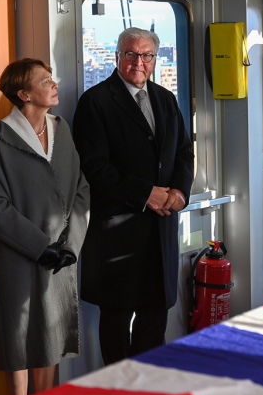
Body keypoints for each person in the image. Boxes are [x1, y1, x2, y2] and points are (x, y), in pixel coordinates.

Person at [73, 27, 194, 366]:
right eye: (131, 54)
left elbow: (184, 153)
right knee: (116, 319)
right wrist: (147, 195)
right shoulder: (95, 102)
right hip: (118, 231)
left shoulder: (166, 100)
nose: (138, 62)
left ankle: (149, 388)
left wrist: (180, 194)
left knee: (155, 317)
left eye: (147, 55)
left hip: (161, 228)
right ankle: (117, 391)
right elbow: (94, 167)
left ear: (155, 59)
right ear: (117, 57)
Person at [0, 58, 89, 395]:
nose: (54, 85)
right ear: (24, 93)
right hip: (18, 257)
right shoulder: (1, 139)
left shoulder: (61, 129)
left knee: (51, 335)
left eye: (51, 79)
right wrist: (40, 246)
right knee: (19, 336)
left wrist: (71, 244)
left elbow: (81, 189)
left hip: (60, 256)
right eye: (45, 81)